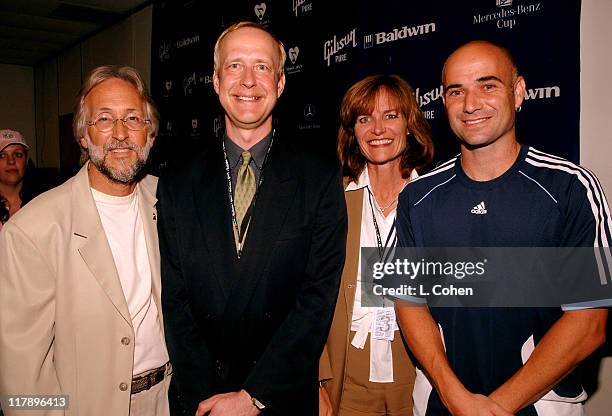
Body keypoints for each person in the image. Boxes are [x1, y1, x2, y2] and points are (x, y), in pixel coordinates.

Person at [395, 40, 611, 416]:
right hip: (441, 402)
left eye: (488, 85)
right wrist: (453, 396)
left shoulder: (571, 188)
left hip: (541, 405)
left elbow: (589, 321)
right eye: (456, 91)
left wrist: (496, 407)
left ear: (519, 92)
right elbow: (409, 303)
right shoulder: (418, 196)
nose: (471, 104)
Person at [157, 21, 347, 416]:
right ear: (214, 80)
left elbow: (317, 298)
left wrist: (253, 397)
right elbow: (174, 300)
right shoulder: (177, 179)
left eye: (262, 67)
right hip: (202, 399)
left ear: (280, 83)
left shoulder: (318, 175)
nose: (248, 80)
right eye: (235, 66)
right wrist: (209, 396)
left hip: (281, 394)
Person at [0, 66, 171, 416]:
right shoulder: (33, 229)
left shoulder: (171, 201)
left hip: (171, 398)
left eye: (133, 119)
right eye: (104, 120)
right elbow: (21, 375)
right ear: (83, 137)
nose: (120, 134)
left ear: (150, 134)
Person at [318, 75, 434, 416]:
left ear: (410, 124)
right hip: (346, 370)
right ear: (353, 131)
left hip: (419, 368)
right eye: (364, 118)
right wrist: (317, 379)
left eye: (391, 115)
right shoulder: (332, 202)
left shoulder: (437, 199)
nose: (377, 129)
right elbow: (305, 294)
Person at [0, 129, 30, 226]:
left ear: (26, 161)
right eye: (2, 155)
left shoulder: (42, 202)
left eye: (18, 154)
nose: (11, 161)